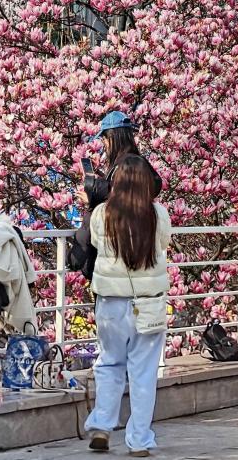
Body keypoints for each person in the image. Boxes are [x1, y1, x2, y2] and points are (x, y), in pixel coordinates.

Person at [84, 155, 172, 456]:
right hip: (148, 304)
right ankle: (139, 440)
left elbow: (96, 243)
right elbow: (162, 245)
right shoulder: (157, 214)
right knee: (143, 373)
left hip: (111, 302)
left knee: (109, 363)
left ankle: (102, 426)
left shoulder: (102, 214)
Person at [72, 111, 158, 281]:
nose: (104, 144)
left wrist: (94, 202)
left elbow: (123, 200)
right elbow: (146, 190)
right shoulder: (140, 164)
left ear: (112, 137)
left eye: (104, 139)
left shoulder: (123, 165)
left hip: (114, 266)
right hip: (143, 264)